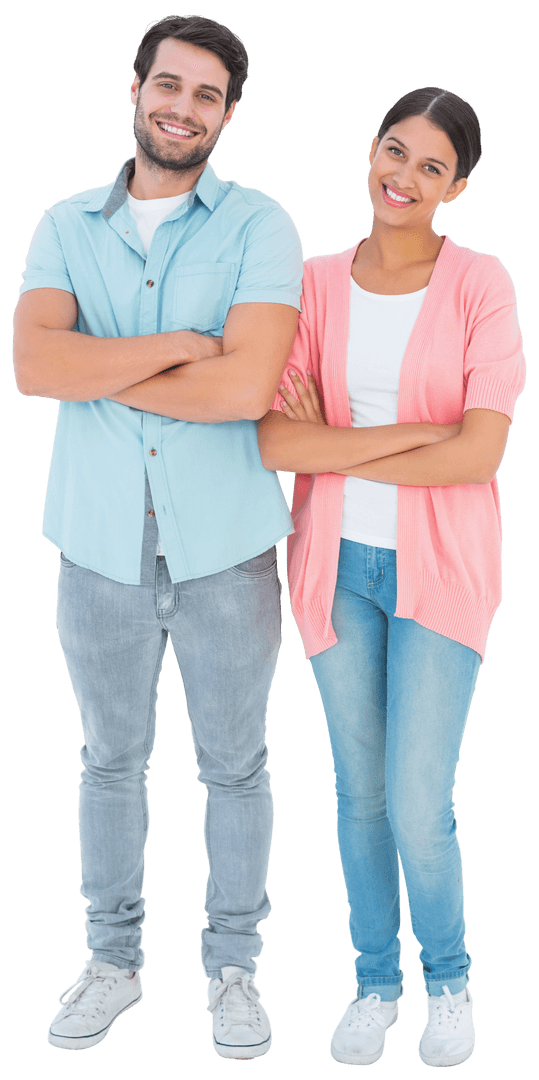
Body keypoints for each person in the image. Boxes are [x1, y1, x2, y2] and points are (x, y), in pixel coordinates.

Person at [12, 13, 303, 1058]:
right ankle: (111, 963)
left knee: (235, 768)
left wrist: (113, 361)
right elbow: (37, 369)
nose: (183, 107)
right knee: (108, 762)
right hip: (96, 548)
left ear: (226, 114)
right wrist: (183, 345)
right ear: (133, 89)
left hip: (228, 548)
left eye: (207, 95)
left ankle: (233, 970)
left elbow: (245, 388)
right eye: (167, 85)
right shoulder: (62, 227)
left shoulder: (260, 226)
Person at [257, 86, 526, 1069]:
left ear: (455, 186)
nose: (400, 176)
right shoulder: (312, 283)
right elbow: (276, 438)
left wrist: (340, 445)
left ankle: (448, 982)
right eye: (392, 150)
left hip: (440, 574)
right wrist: (413, 431)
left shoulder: (479, 285)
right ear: (369, 150)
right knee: (357, 794)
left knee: (417, 798)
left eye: (428, 166)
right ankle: (375, 984)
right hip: (331, 567)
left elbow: (476, 457)